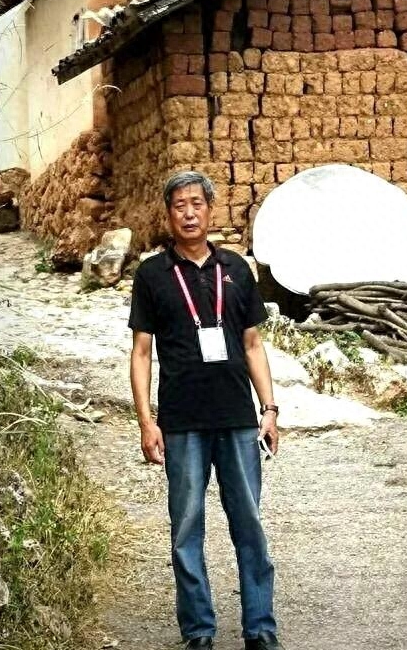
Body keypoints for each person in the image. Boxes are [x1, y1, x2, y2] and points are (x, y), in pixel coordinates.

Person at [129, 170, 282, 650]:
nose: (189, 213)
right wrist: (147, 421)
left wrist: (270, 409)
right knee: (186, 529)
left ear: (210, 210)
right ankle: (198, 631)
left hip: (237, 420)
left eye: (197, 203)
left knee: (249, 525)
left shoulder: (236, 268)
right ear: (168, 214)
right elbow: (141, 353)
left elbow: (253, 344)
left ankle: (260, 627)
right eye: (180, 205)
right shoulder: (152, 275)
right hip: (182, 424)